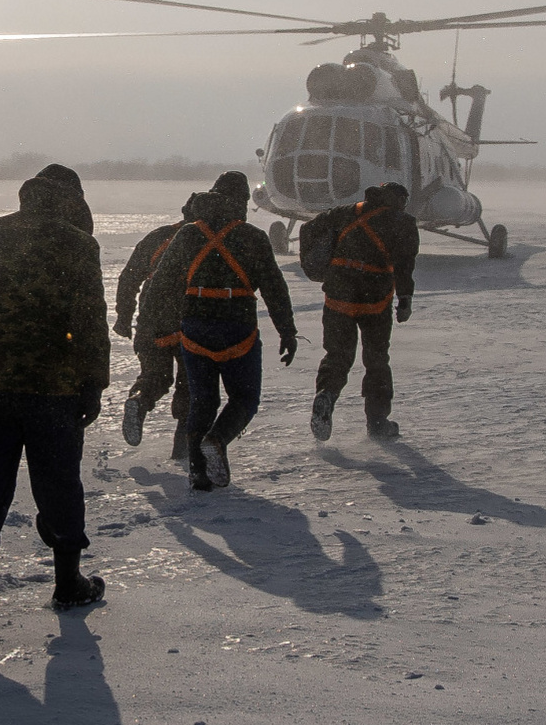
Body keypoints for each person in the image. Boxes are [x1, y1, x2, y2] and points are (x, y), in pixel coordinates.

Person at [0, 163, 110, 646]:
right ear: (71, 201)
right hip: (54, 391)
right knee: (59, 484)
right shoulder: (77, 244)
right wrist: (93, 382)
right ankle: (68, 583)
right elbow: (91, 319)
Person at [145, 170, 297, 491]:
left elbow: (161, 284)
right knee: (244, 398)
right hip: (237, 328)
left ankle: (198, 473)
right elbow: (274, 288)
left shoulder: (187, 235)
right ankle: (217, 440)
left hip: (194, 330)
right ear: (241, 202)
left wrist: (157, 326)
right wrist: (287, 331)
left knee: (202, 399)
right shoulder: (253, 237)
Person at [302, 178, 419, 441]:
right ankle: (378, 423)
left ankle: (326, 396)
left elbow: (309, 230)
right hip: (374, 302)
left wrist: (315, 267)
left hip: (338, 298)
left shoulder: (345, 212)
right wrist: (405, 298)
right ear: (398, 200)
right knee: (376, 360)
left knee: (337, 356)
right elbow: (404, 264)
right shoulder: (403, 222)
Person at [113, 191, 205, 460]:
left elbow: (129, 277)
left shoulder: (159, 236)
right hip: (190, 321)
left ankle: (139, 401)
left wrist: (124, 316)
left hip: (152, 321)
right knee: (190, 386)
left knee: (155, 375)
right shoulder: (208, 241)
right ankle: (183, 448)